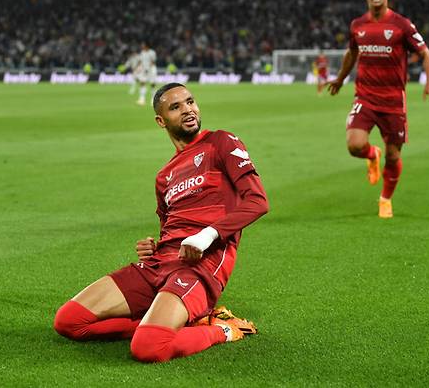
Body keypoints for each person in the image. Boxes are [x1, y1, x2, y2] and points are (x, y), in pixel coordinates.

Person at [54, 82, 269, 363]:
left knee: (149, 348)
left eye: (190, 102)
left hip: (199, 265)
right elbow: (170, 228)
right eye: (176, 107)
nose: (188, 110)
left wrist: (206, 236)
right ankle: (158, 323)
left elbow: (257, 201)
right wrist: (153, 247)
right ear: (161, 120)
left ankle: (223, 329)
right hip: (159, 264)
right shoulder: (164, 176)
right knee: (69, 321)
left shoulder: (221, 142)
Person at [328, 0, 429, 218]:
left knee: (394, 155)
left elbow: (426, 54)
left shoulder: (402, 25)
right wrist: (340, 78)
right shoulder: (357, 25)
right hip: (365, 98)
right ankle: (372, 154)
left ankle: (385, 199)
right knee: (354, 145)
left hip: (392, 102)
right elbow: (352, 53)